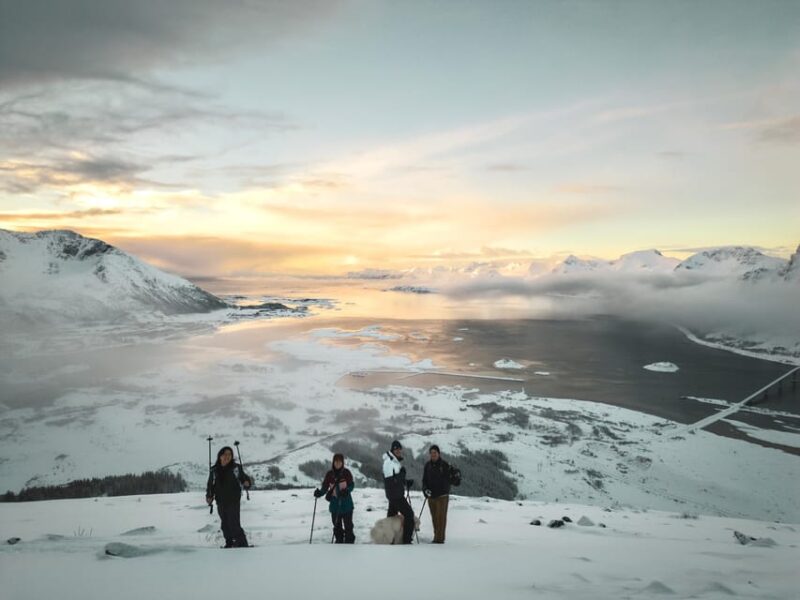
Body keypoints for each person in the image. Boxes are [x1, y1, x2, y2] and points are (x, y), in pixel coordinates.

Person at [206, 445, 252, 548]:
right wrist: (209, 496)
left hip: (233, 500)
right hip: (220, 501)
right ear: (220, 456)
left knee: (234, 523)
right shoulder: (214, 470)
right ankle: (229, 542)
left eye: (229, 454)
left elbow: (244, 478)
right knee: (224, 524)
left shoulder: (236, 468)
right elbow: (210, 485)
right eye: (225, 454)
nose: (227, 456)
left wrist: (247, 482)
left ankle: (242, 543)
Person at [314, 453, 355, 543]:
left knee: (348, 527)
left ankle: (350, 544)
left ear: (342, 463)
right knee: (337, 527)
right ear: (333, 462)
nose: (337, 463)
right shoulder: (329, 474)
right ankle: (339, 543)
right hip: (335, 506)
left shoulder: (346, 473)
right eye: (336, 461)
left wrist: (347, 490)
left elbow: (352, 485)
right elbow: (325, 487)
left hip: (347, 505)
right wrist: (319, 493)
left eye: (340, 462)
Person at [382, 439, 415, 544]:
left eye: (399, 449)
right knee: (409, 514)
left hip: (395, 495)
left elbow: (397, 478)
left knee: (391, 518)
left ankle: (389, 539)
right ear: (392, 450)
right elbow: (391, 482)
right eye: (396, 449)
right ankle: (406, 540)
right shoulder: (388, 463)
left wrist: (405, 482)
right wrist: (402, 475)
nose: (398, 451)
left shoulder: (395, 462)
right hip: (395, 496)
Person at [422, 444, 453, 544]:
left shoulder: (445, 465)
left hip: (442, 496)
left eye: (435, 452)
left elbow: (453, 480)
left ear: (439, 454)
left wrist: (455, 475)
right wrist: (425, 490)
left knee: (441, 518)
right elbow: (424, 480)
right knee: (435, 518)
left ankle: (439, 540)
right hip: (431, 496)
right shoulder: (427, 465)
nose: (433, 454)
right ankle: (436, 537)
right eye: (431, 453)